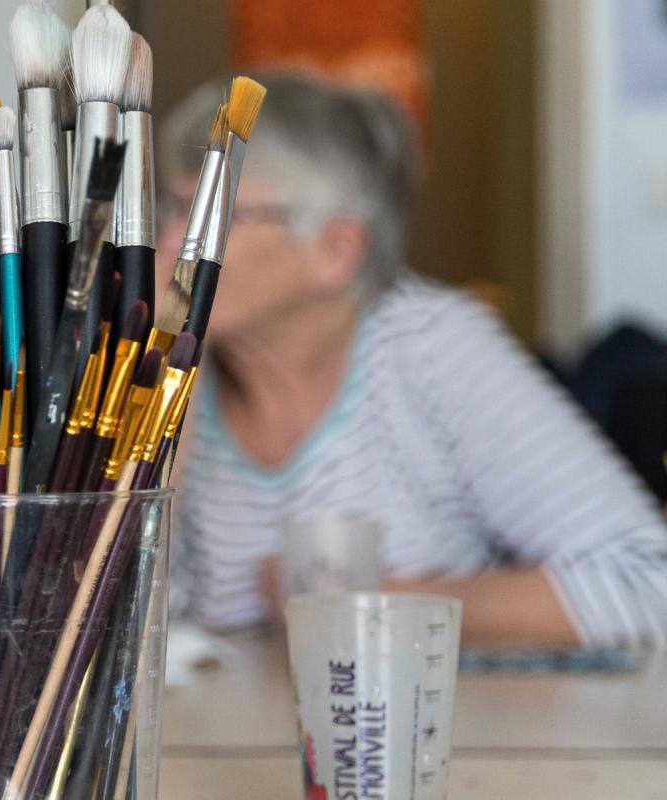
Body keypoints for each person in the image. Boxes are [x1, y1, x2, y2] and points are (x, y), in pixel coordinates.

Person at [160, 73, 667, 649]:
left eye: (212, 215)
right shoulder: (160, 367)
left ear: (336, 249)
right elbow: (103, 628)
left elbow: (647, 582)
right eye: (171, 208)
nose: (172, 241)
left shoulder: (430, 347)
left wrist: (368, 601)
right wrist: (168, 362)